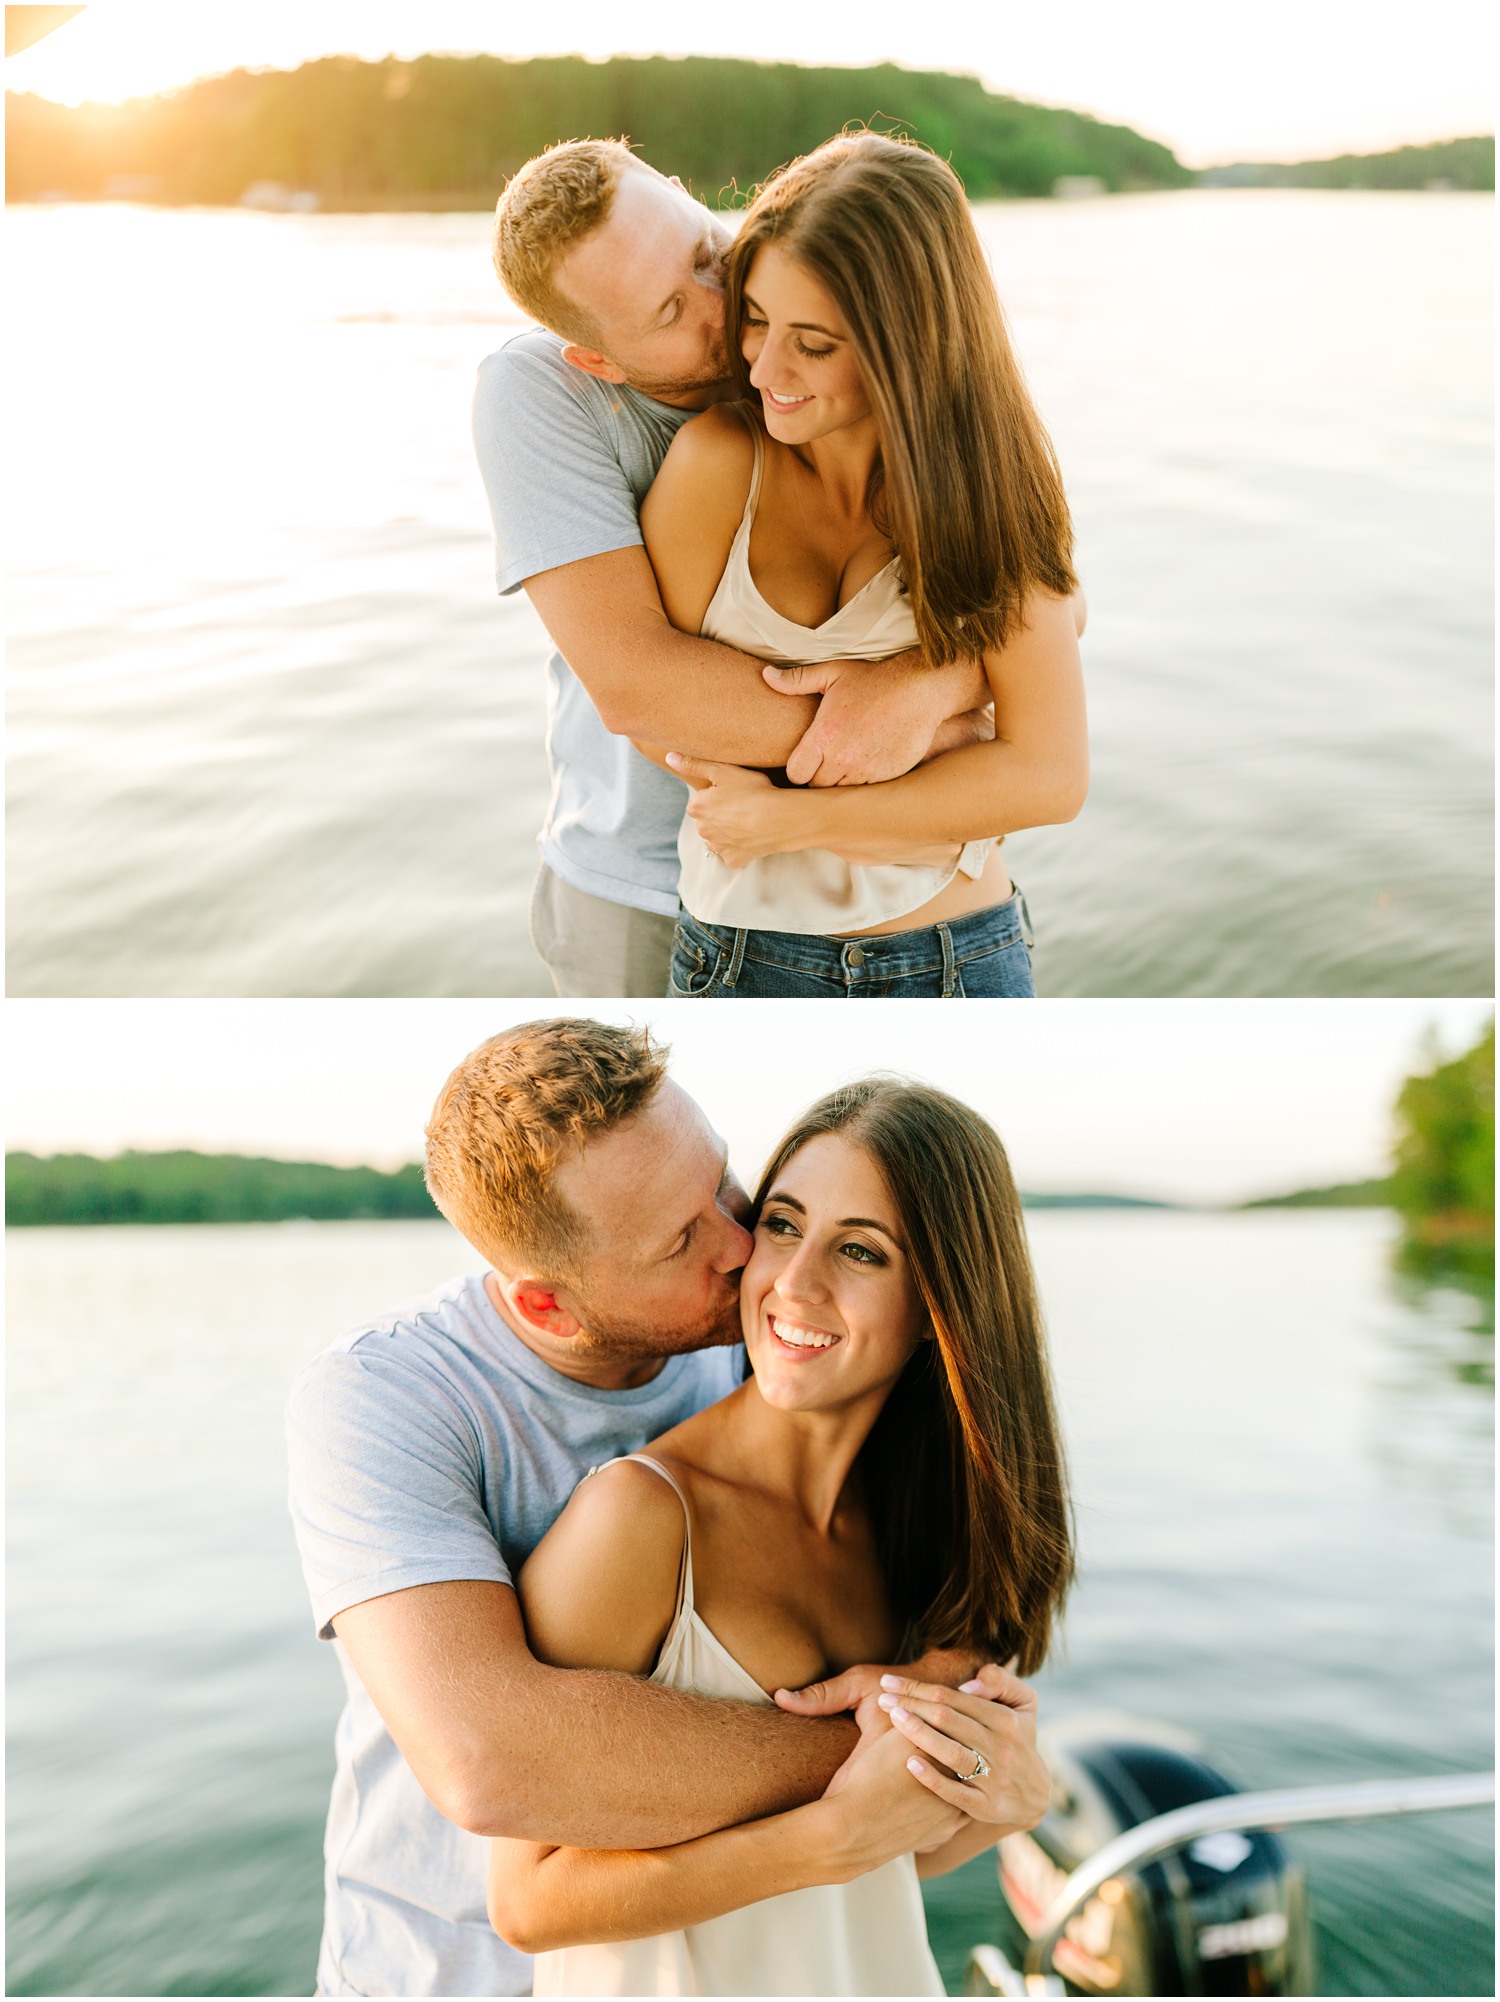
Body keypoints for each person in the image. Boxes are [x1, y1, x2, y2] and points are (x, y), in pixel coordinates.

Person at [286, 1019, 1051, 1997]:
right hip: (446, 1972)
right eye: (684, 1238)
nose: (745, 1250)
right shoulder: (387, 1397)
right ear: (548, 1308)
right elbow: (489, 1762)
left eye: (729, 1185)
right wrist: (892, 1749)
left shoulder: (775, 1350)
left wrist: (990, 1779)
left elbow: (902, 1827)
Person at [487, 1077, 1074, 1993]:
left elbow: (887, 1862)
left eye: (861, 1252)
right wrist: (825, 1840)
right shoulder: (640, 1522)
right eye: (785, 1224)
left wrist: (1009, 1802)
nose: (793, 1284)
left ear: (940, 1305)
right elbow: (530, 1904)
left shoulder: (928, 1526)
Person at [477, 140, 1003, 999]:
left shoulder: (811, 336)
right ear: (600, 359)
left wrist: (931, 684)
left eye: (707, 256)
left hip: (893, 884)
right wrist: (920, 743)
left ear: (690, 195)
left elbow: (1049, 602)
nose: (727, 313)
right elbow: (642, 689)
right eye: (670, 313)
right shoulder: (539, 392)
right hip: (647, 889)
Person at [636, 133, 1088, 999]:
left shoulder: (991, 486)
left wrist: (793, 818)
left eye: (814, 343)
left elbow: (1049, 775)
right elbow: (666, 719)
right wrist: (947, 740)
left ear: (908, 345)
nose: (766, 369)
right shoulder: (716, 463)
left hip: (962, 954)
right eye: (757, 321)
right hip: (742, 960)